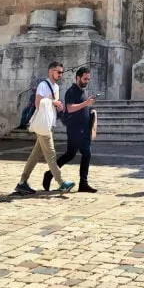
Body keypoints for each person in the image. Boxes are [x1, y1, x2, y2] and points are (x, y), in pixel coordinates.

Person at [14, 61, 74, 195]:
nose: (60, 74)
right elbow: (38, 103)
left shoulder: (56, 87)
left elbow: (52, 105)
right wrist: (53, 102)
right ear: (51, 71)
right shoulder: (43, 85)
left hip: (49, 123)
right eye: (58, 72)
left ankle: (22, 182)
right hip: (43, 125)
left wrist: (59, 106)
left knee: (35, 155)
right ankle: (62, 182)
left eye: (61, 72)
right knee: (51, 154)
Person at [43, 65, 97, 193]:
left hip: (84, 128)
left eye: (88, 79)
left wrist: (90, 110)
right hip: (75, 129)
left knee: (72, 154)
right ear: (77, 77)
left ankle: (52, 175)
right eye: (85, 79)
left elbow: (82, 107)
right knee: (79, 154)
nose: (86, 81)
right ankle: (80, 182)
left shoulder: (83, 92)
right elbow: (70, 108)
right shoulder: (71, 92)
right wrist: (86, 104)